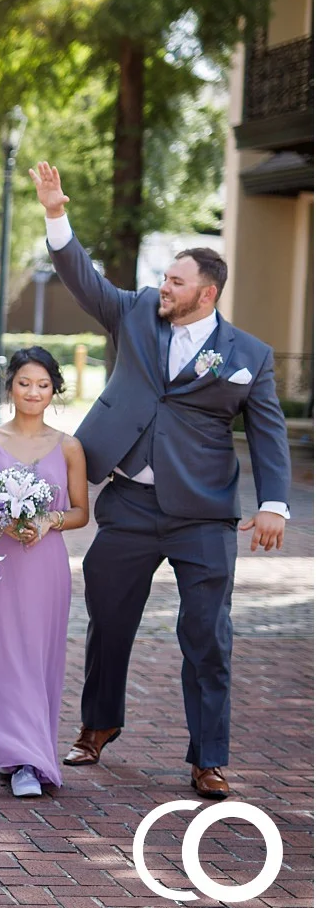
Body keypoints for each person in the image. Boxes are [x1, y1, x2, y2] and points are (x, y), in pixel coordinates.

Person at [29, 162, 291, 800]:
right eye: (164, 277)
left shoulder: (248, 355)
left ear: (207, 293)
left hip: (204, 514)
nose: (163, 286)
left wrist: (274, 503)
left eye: (176, 280)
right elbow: (83, 279)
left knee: (207, 635)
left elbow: (267, 431)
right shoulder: (138, 313)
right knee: (109, 619)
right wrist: (56, 214)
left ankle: (209, 757)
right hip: (130, 506)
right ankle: (98, 725)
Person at [0, 347, 89, 798]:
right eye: (25, 383)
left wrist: (49, 520)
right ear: (10, 385)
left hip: (44, 569)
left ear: (55, 391)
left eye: (43, 385)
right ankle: (4, 750)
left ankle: (30, 759)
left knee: (33, 660)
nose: (33, 392)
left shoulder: (69, 446)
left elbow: (82, 512)